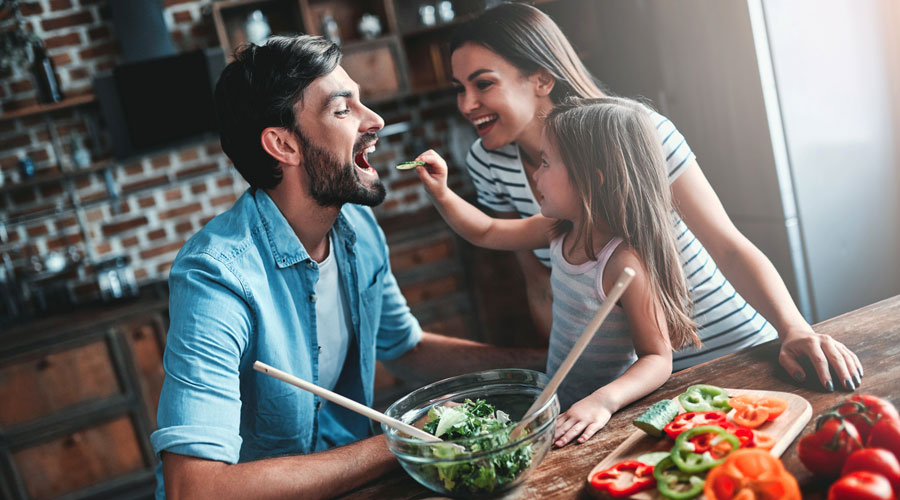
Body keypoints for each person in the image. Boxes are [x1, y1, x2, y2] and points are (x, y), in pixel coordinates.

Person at [150, 35, 545, 500]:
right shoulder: (216, 277)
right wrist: (405, 439)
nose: (374, 120)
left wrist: (544, 366)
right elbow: (192, 489)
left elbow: (405, 348)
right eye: (343, 110)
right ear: (283, 145)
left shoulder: (355, 225)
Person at [447, 2, 862, 391]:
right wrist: (568, 382)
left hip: (729, 350)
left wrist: (794, 329)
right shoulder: (488, 162)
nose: (467, 104)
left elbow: (727, 245)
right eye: (459, 88)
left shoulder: (638, 131)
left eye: (483, 83)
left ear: (541, 78)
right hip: (631, 388)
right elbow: (540, 286)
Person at [413, 96, 703, 447]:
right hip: (560, 408)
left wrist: (601, 402)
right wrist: (442, 194)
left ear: (590, 182)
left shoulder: (623, 263)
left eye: (546, 164)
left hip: (601, 422)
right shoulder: (559, 229)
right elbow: (487, 230)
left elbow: (657, 359)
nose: (535, 174)